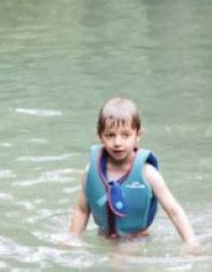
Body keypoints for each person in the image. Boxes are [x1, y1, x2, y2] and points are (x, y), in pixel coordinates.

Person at [68, 97, 199, 248]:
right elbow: (82, 210)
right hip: (104, 237)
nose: (117, 142)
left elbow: (174, 210)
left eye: (125, 135)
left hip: (137, 239)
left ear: (138, 135)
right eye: (110, 135)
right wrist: (72, 239)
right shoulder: (90, 171)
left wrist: (191, 243)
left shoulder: (148, 173)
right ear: (100, 136)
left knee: (118, 263)